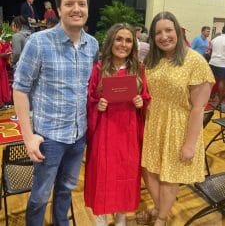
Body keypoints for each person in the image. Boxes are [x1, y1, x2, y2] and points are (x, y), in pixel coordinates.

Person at [13, 0, 99, 226]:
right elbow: (19, 89)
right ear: (58, 10)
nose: (76, 9)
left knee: (66, 190)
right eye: (69, 3)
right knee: (40, 195)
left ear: (87, 9)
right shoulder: (39, 42)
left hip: (78, 135)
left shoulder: (91, 45)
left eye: (81, 4)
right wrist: (28, 137)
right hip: (49, 138)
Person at [136, 12, 215, 226]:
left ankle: (161, 218)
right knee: (148, 170)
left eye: (168, 30)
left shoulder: (194, 61)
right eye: (158, 32)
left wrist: (189, 145)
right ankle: (159, 208)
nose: (164, 36)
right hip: (154, 123)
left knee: (169, 176)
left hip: (179, 127)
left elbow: (199, 108)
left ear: (178, 31)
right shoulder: (153, 60)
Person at [84, 23, 150, 226]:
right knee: (102, 174)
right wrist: (98, 104)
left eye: (128, 40)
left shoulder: (138, 69)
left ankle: (121, 218)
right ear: (111, 41)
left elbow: (145, 97)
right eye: (119, 39)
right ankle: (101, 219)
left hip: (128, 132)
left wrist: (141, 102)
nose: (123, 44)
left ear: (134, 44)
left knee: (126, 174)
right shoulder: (98, 69)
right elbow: (89, 98)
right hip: (104, 130)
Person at [209, 25, 225, 105]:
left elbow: (211, 51)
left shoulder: (215, 39)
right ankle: (220, 101)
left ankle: (211, 96)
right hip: (222, 64)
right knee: (222, 81)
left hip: (212, 62)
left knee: (212, 81)